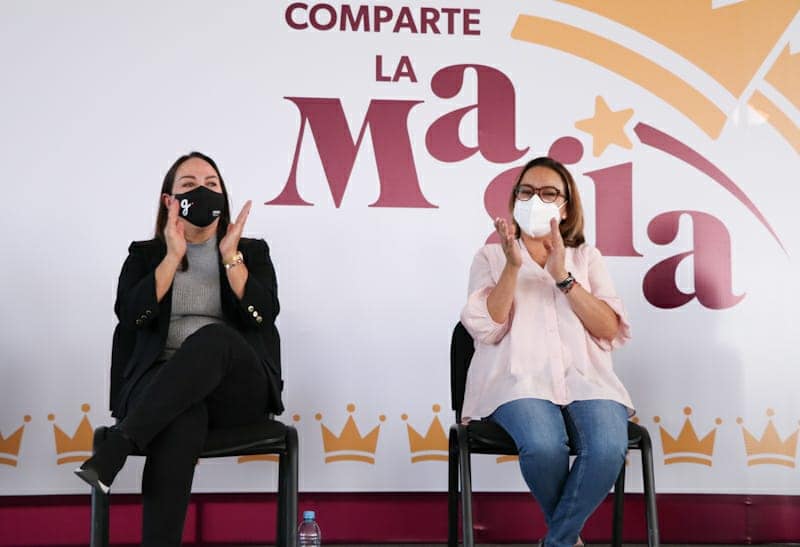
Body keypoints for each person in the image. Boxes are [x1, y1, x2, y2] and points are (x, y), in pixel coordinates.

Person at [75, 151, 282, 547]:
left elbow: (264, 315)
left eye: (211, 184)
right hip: (161, 388)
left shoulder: (251, 253)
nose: (202, 191)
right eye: (189, 185)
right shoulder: (144, 256)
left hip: (235, 390)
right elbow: (130, 317)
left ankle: (119, 445)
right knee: (182, 416)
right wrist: (172, 257)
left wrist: (230, 257)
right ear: (169, 200)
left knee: (214, 337)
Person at [460, 156, 634, 547]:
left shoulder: (586, 258)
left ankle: (558, 542)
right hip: (516, 382)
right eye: (526, 191)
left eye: (548, 193)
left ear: (566, 207)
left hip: (587, 381)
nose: (535, 200)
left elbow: (609, 328)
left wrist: (562, 277)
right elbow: (488, 325)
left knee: (608, 448)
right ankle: (566, 540)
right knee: (542, 446)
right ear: (514, 200)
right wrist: (512, 267)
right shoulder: (490, 257)